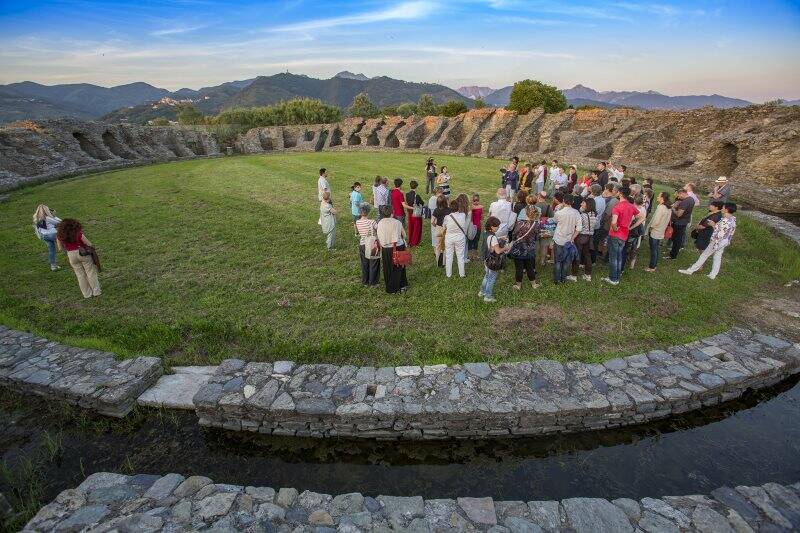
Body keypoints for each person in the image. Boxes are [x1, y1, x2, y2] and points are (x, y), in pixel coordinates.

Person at [680, 203, 737, 279]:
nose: (721, 209)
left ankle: (690, 270)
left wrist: (713, 225)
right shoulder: (732, 219)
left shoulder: (725, 220)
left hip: (718, 241)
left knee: (704, 255)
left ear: (726, 209)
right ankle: (713, 275)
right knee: (717, 257)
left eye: (723, 208)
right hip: (725, 241)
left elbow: (720, 233)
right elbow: (729, 232)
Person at [56, 218, 101, 298]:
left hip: (71, 254)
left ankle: (87, 294)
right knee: (90, 272)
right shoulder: (78, 233)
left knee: (80, 275)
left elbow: (60, 248)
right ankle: (96, 291)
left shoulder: (59, 236)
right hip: (83, 253)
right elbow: (89, 244)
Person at [602, 191, 639, 286]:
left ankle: (613, 279)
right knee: (619, 256)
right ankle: (617, 276)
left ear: (621, 194)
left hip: (615, 235)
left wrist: (615, 229)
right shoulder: (631, 206)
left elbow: (614, 222)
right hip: (624, 234)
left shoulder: (618, 206)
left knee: (613, 257)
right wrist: (630, 226)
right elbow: (641, 217)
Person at [376, 205, 409, 293]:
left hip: (386, 248)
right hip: (398, 246)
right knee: (400, 267)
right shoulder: (397, 222)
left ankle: (391, 287)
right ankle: (402, 285)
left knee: (388, 267)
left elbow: (378, 236)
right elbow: (404, 235)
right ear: (392, 212)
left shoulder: (380, 223)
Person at [478, 216, 511, 303]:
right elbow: (498, 251)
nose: (499, 227)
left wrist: (499, 239)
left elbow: (490, 244)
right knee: (492, 278)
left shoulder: (486, 233)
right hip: (492, 261)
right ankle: (488, 296)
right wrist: (506, 248)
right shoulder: (493, 237)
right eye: (497, 226)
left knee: (487, 276)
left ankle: (482, 291)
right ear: (492, 227)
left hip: (486, 259)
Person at [552, 192, 580, 284]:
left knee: (558, 261)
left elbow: (555, 221)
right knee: (566, 261)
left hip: (559, 239)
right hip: (569, 240)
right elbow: (579, 228)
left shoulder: (559, 213)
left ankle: (557, 279)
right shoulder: (576, 213)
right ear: (572, 202)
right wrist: (572, 238)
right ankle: (563, 278)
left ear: (563, 201)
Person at [511, 205, 541, 290]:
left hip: (518, 249)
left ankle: (518, 285)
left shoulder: (519, 223)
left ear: (526, 213)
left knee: (519, 269)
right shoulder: (536, 224)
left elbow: (514, 235)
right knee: (530, 268)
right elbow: (537, 237)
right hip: (530, 250)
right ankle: (534, 284)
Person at [572, 197, 597, 281]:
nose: (581, 204)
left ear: (587, 204)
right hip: (590, 237)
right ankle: (588, 275)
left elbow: (577, 226)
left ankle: (574, 275)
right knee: (587, 255)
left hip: (581, 236)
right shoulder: (594, 214)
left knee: (577, 255)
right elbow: (596, 226)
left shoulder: (582, 215)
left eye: (583, 203)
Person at [645, 192, 671, 272]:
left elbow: (656, 221)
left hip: (656, 231)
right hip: (661, 230)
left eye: (659, 196)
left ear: (662, 198)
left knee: (654, 250)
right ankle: (654, 265)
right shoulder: (668, 208)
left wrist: (651, 227)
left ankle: (652, 267)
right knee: (655, 249)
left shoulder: (661, 208)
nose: (657, 197)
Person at [442, 199, 468, 278]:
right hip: (460, 238)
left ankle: (448, 274)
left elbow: (444, 227)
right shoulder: (463, 215)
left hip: (449, 238)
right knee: (460, 256)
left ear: (450, 207)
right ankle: (462, 274)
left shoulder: (447, 217)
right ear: (458, 207)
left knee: (449, 256)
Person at [355, 204, 380, 286]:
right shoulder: (372, 222)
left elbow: (357, 232)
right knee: (374, 262)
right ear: (368, 211)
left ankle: (365, 281)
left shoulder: (357, 222)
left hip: (362, 244)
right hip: (372, 244)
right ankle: (373, 282)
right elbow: (378, 229)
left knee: (364, 263)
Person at [32, 204, 62, 271]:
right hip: (53, 234)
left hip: (44, 236)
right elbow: (59, 222)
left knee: (51, 250)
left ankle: (53, 266)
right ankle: (74, 260)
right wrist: (54, 216)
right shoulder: (47, 218)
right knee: (65, 246)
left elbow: (37, 229)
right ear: (46, 210)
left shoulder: (36, 219)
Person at [668, 188, 694, 260]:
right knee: (677, 239)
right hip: (684, 222)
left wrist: (673, 209)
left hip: (679, 223)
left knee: (677, 239)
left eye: (679, 195)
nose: (679, 197)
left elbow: (679, 214)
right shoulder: (691, 199)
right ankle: (673, 252)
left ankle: (673, 256)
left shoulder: (685, 201)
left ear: (682, 193)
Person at [623, 194, 647, 270]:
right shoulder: (643, 209)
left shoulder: (633, 209)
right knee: (634, 247)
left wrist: (630, 227)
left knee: (627, 245)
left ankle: (624, 260)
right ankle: (632, 264)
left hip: (632, 231)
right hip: (639, 231)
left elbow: (630, 220)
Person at [432, 195, 452, 267]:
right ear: (445, 202)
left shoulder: (436, 210)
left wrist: (436, 226)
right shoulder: (449, 210)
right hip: (446, 229)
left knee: (438, 246)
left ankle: (438, 262)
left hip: (439, 228)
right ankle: (444, 263)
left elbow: (432, 221)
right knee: (446, 246)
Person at [405, 180, 424, 247]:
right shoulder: (417, 196)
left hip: (410, 213)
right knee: (417, 228)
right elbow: (422, 203)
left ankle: (410, 241)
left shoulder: (407, 194)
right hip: (416, 214)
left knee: (411, 227)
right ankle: (415, 242)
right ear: (416, 187)